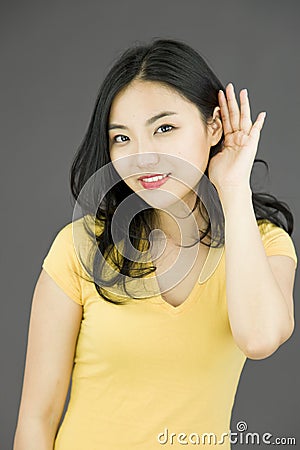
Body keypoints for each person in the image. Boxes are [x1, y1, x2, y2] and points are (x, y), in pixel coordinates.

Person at [13, 38, 298, 450]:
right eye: (122, 138)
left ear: (213, 126)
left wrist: (232, 186)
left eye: (164, 128)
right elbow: (37, 419)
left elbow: (259, 339)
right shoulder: (80, 247)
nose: (142, 156)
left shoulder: (265, 245)